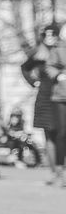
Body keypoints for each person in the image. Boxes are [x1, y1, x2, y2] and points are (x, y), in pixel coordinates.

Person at [31, 27, 66, 187]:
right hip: (50, 96)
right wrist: (34, 82)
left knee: (58, 134)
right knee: (53, 134)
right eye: (47, 34)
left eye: (53, 34)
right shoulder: (40, 53)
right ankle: (56, 172)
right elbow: (26, 68)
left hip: (56, 95)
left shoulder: (55, 49)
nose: (50, 37)